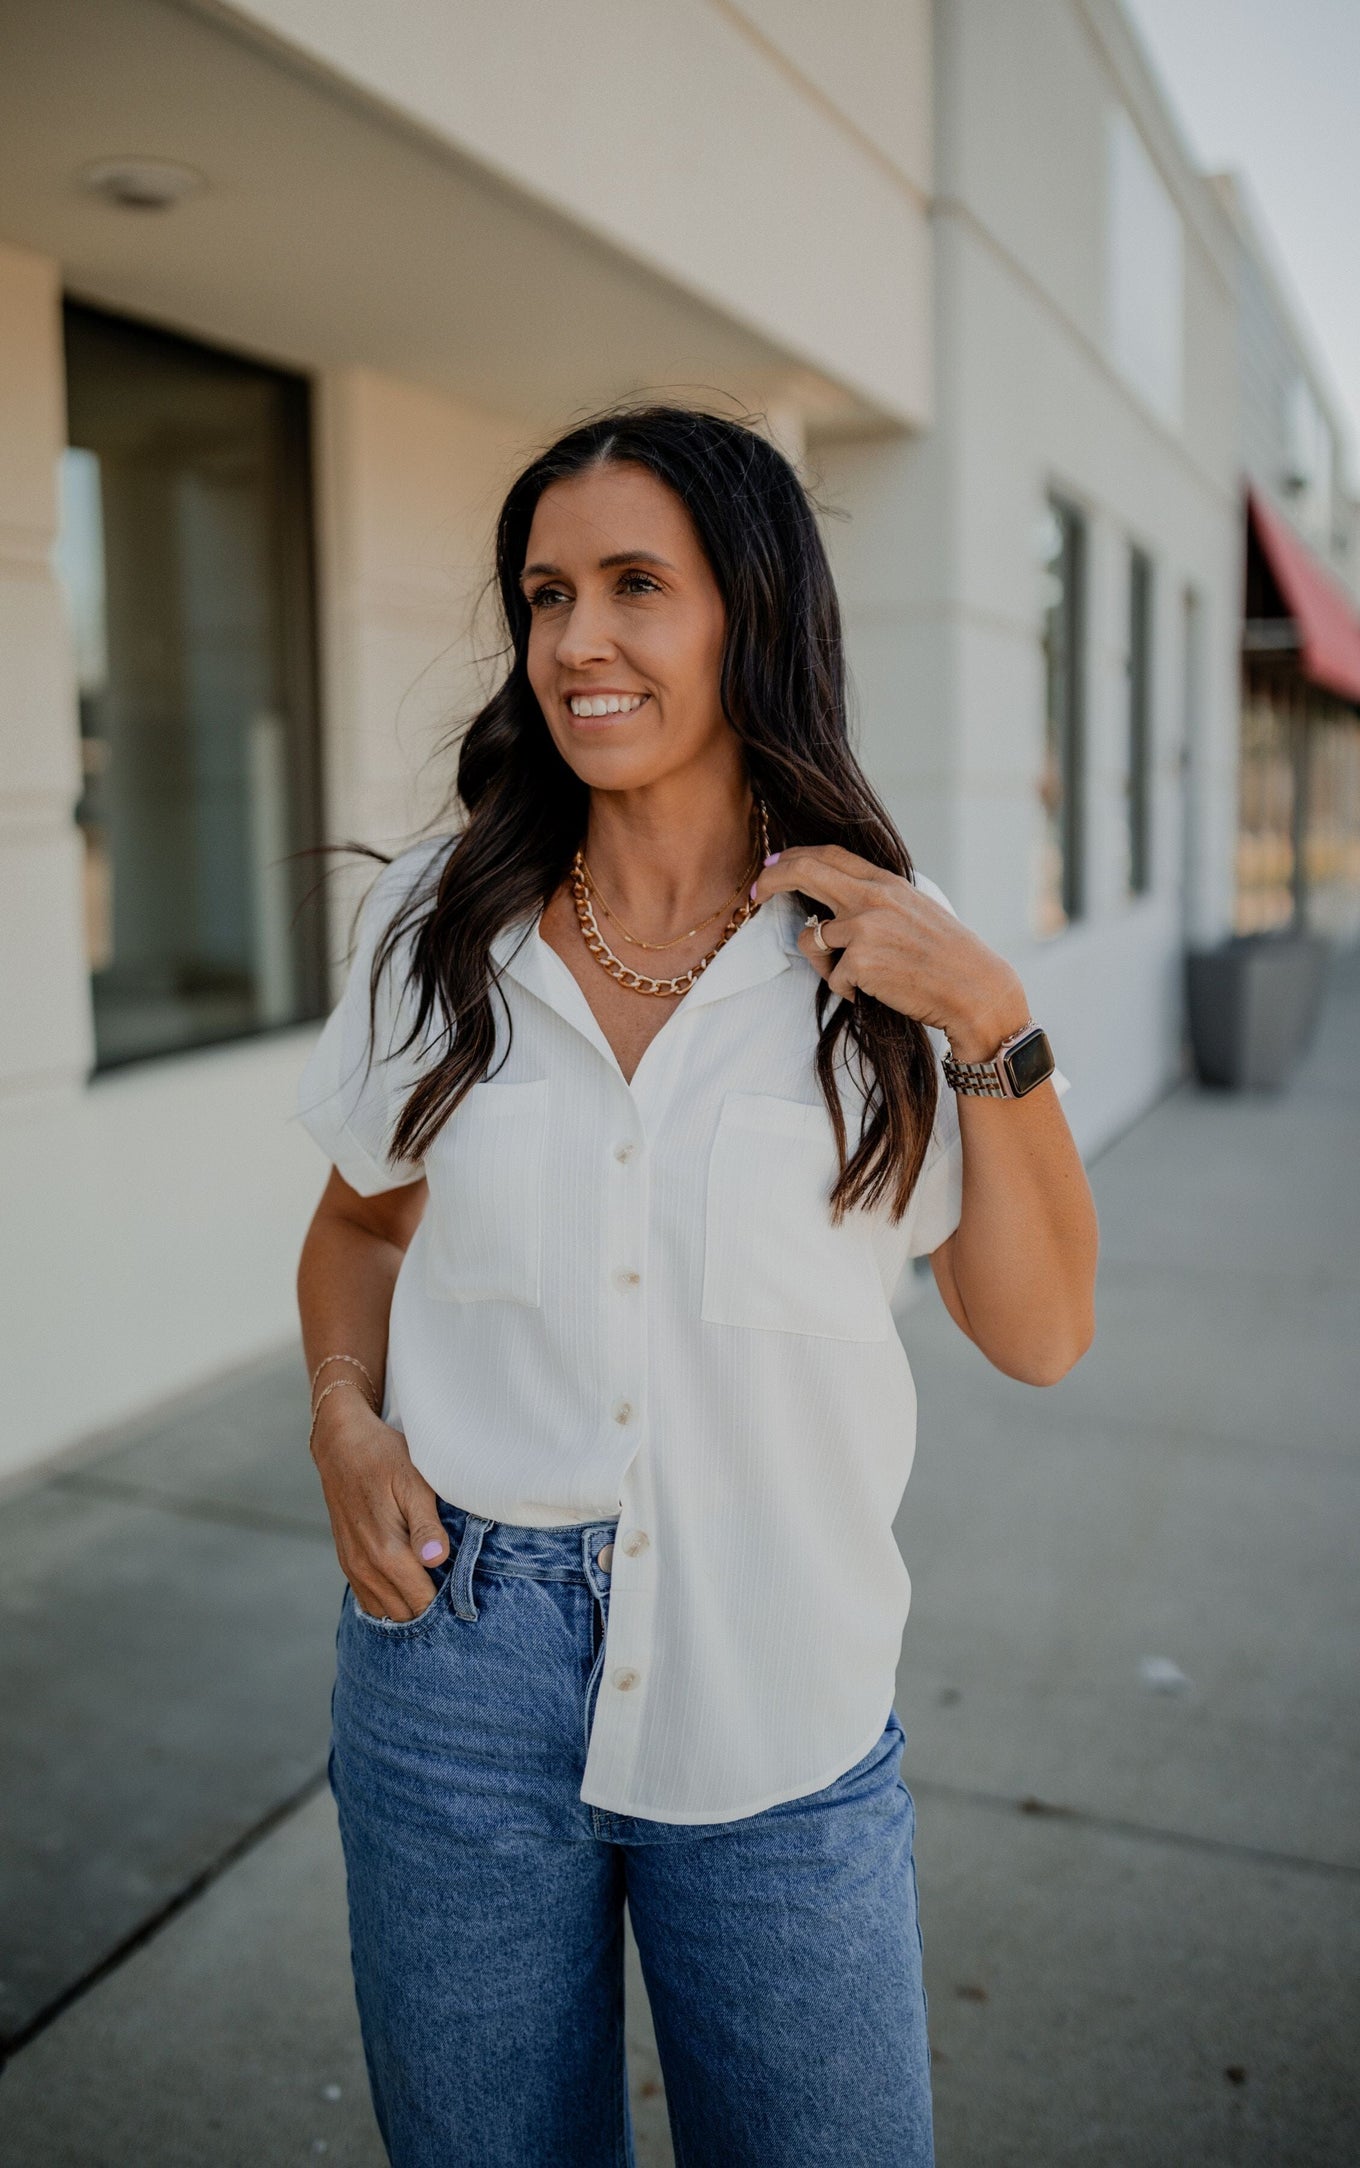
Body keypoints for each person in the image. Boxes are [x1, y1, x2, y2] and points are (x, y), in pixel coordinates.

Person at [295, 404, 1097, 2168]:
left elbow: (1037, 1338)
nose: (576, 641)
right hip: (457, 1665)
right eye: (545, 593)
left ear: (753, 613)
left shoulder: (891, 950)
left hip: (781, 1668)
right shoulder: (441, 922)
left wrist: (988, 1020)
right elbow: (358, 1227)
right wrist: (345, 1423)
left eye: (635, 587)